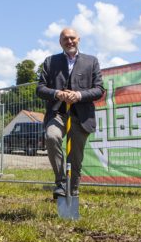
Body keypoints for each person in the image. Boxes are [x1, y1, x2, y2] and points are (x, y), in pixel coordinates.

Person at [36, 28, 105, 198]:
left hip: (81, 115)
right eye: (65, 39)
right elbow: (40, 88)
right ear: (60, 42)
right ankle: (60, 183)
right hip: (57, 113)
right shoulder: (50, 62)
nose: (69, 41)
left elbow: (99, 89)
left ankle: (72, 192)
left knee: (75, 157)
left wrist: (79, 95)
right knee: (52, 137)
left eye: (72, 38)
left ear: (78, 39)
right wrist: (57, 93)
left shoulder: (91, 61)